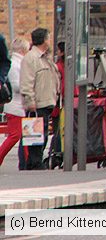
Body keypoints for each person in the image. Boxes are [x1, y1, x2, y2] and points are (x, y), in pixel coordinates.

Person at [18, 28, 61, 170]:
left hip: (47, 101)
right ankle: (35, 162)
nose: (50, 41)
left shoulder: (45, 57)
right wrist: (30, 102)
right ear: (43, 40)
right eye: (48, 38)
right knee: (35, 135)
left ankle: (33, 161)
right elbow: (26, 82)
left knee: (42, 134)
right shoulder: (31, 58)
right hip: (37, 104)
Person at [0, 36, 28, 167]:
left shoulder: (16, 63)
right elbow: (16, 85)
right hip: (16, 105)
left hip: (17, 105)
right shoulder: (16, 64)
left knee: (24, 135)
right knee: (15, 135)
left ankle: (27, 160)